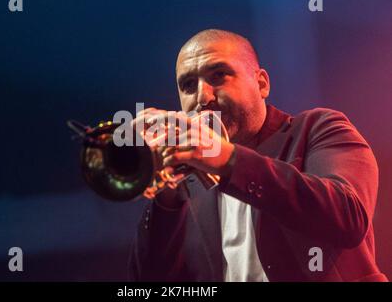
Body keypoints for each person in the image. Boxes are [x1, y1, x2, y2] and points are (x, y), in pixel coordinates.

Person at [128, 29, 388, 282]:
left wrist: (225, 158)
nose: (202, 97)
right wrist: (167, 199)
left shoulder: (319, 128)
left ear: (261, 84)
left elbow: (348, 218)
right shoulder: (189, 183)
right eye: (188, 85)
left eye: (218, 75)